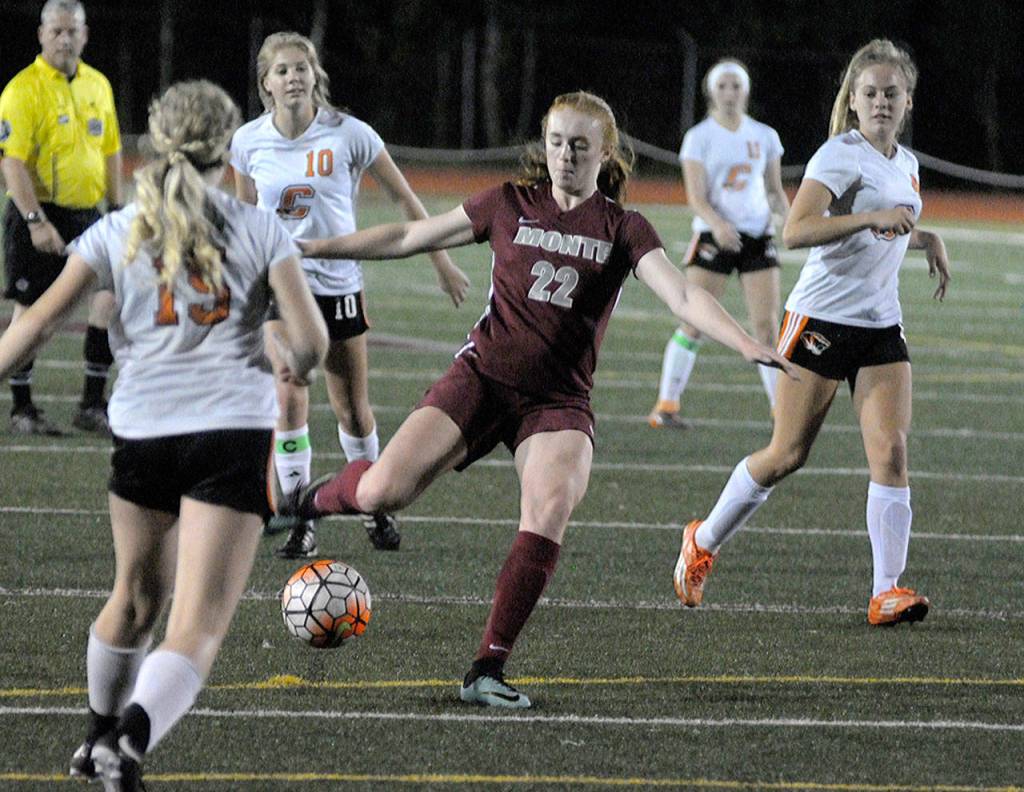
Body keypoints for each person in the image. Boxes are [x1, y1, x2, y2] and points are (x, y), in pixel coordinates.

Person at [287, 90, 797, 708]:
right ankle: (307, 499)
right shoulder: (508, 203)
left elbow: (684, 297)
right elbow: (408, 235)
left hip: (558, 400)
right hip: (481, 378)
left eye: (580, 146)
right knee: (380, 492)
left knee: (551, 505)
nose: (564, 156)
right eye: (556, 142)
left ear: (605, 152)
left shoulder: (622, 226)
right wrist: (314, 249)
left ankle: (486, 668)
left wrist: (744, 340)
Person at [0, 80, 327, 789]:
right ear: (227, 144)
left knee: (132, 600)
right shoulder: (259, 228)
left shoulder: (118, 229)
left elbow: (34, 325)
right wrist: (284, 356)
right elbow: (311, 345)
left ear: (157, 139)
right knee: (196, 627)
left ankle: (95, 738)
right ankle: (129, 743)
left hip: (143, 433)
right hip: (230, 434)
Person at [673, 39, 951, 627]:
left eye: (891, 94)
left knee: (893, 453)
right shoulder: (838, 155)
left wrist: (926, 238)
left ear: (907, 102)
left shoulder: (907, 164)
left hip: (879, 325)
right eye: (870, 93)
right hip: (820, 322)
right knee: (787, 454)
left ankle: (886, 591)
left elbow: (889, 228)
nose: (880, 102)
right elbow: (797, 231)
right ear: (853, 102)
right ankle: (702, 540)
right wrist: (874, 217)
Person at [230, 31, 470, 559]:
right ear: (265, 84)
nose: (293, 77)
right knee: (289, 393)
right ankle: (298, 512)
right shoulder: (247, 142)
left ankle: (373, 501)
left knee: (353, 413)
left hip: (339, 285)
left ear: (315, 75)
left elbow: (406, 199)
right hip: (281, 289)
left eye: (301, 68)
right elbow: (246, 218)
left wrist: (442, 261)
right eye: (282, 71)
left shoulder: (350, 134)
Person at [0, 0, 122, 435]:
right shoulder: (22, 89)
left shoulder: (98, 85)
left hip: (88, 215)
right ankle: (22, 409)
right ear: (41, 35)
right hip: (39, 214)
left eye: (73, 30)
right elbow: (11, 162)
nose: (65, 38)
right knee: (30, 313)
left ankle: (91, 404)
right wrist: (35, 220)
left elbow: (110, 149)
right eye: (57, 31)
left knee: (109, 298)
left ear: (85, 35)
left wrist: (119, 208)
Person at [648, 59, 790, 428]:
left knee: (765, 326)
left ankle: (781, 412)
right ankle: (666, 405)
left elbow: (775, 191)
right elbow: (696, 196)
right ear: (711, 91)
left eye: (736, 86)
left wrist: (790, 221)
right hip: (715, 236)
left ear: (746, 90)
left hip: (758, 237)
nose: (729, 93)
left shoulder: (765, 135)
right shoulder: (699, 137)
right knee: (693, 321)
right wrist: (718, 225)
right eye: (722, 86)